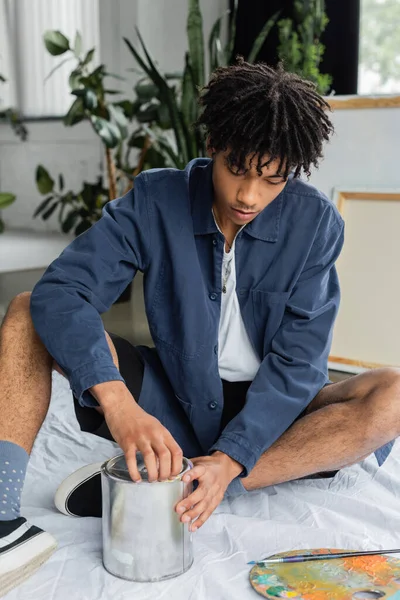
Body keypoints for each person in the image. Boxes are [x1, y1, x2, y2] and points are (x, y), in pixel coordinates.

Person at [0, 57, 399, 595]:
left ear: (292, 172)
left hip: (273, 417)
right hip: (171, 400)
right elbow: (62, 292)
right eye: (237, 168)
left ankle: (190, 481)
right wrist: (118, 405)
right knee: (26, 309)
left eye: (272, 178)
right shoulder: (154, 199)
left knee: (394, 393)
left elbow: (297, 366)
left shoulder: (317, 225)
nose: (248, 196)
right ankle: (2, 522)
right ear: (213, 143)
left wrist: (232, 460)